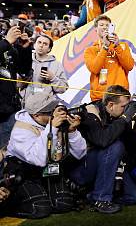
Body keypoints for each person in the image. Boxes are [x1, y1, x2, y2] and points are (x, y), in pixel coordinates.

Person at [4, 91, 86, 219]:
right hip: (24, 174)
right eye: (50, 112)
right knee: (39, 209)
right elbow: (39, 160)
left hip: (47, 173)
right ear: (36, 115)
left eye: (54, 108)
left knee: (63, 204)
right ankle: (7, 206)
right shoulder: (21, 130)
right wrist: (51, 128)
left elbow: (80, 153)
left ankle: (42, 195)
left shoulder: (53, 123)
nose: (54, 114)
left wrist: (72, 131)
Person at [73, 85, 136, 213]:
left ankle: (91, 195)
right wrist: (124, 119)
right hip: (83, 168)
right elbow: (102, 140)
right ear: (111, 104)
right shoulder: (91, 112)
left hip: (107, 166)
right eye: (124, 107)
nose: (126, 111)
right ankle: (100, 199)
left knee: (132, 197)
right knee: (115, 145)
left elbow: (133, 146)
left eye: (127, 107)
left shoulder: (116, 116)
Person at [84, 15, 135, 102]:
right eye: (101, 25)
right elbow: (95, 69)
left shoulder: (122, 46)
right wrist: (105, 47)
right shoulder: (90, 50)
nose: (104, 27)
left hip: (121, 95)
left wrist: (117, 46)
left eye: (107, 25)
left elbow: (129, 66)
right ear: (95, 29)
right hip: (100, 97)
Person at [0, 24, 33, 148]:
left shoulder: (8, 46)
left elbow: (24, 71)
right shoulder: (5, 43)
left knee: (7, 151)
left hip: (10, 107)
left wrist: (24, 49)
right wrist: (7, 42)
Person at [22, 34, 68, 105]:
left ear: (49, 49)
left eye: (45, 44)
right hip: (24, 105)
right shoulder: (25, 59)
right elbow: (16, 84)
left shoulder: (57, 65)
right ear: (34, 45)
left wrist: (53, 78)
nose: (41, 45)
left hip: (45, 108)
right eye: (39, 42)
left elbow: (63, 88)